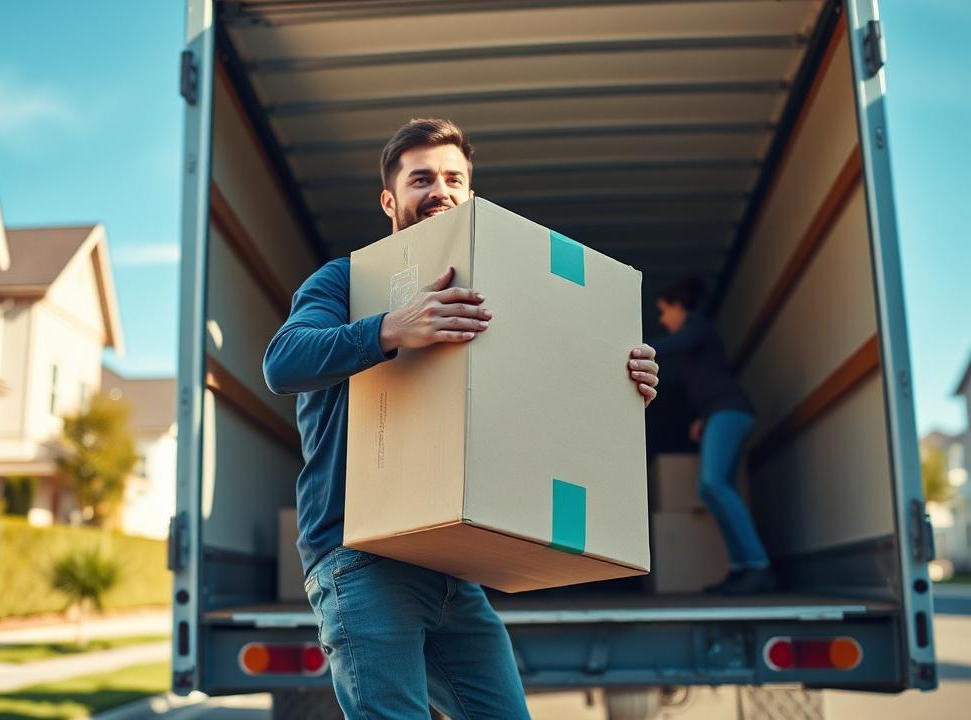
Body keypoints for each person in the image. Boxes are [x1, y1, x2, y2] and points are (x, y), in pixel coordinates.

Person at [263, 118, 660, 719]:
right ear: (389, 200)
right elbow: (282, 362)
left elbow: (538, 392)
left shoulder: (498, 293)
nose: (440, 191)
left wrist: (617, 384)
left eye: (454, 179)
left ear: (471, 193)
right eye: (421, 179)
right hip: (359, 557)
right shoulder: (346, 280)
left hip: (450, 560)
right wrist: (391, 327)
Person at [651, 277, 777, 595]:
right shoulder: (695, 333)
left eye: (664, 311)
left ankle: (759, 566)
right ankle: (741, 568)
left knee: (712, 484)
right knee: (713, 490)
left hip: (730, 410)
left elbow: (675, 345)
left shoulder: (697, 325)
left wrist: (634, 347)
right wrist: (704, 418)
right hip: (719, 413)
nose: (663, 320)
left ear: (679, 307)